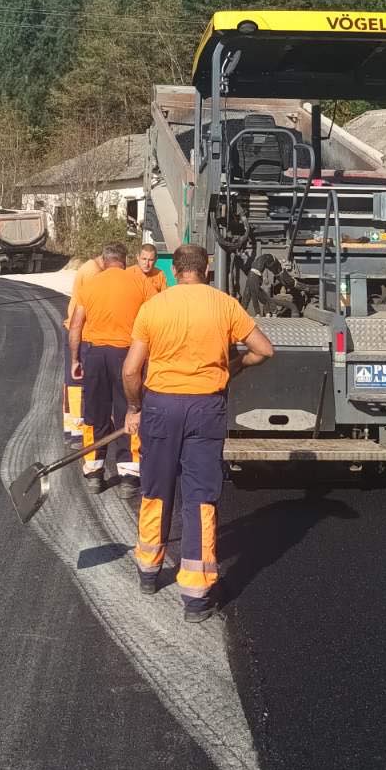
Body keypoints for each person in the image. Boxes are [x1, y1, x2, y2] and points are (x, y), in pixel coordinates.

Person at [122, 244, 274, 623]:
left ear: (174, 271)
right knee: (200, 497)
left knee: (155, 489)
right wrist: (234, 366)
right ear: (206, 270)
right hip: (206, 408)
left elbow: (130, 371)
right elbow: (264, 349)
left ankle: (148, 570)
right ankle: (196, 595)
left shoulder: (154, 306)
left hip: (159, 406)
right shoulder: (224, 305)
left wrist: (134, 408)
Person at [69, 243, 148, 482]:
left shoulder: (90, 286)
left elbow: (75, 326)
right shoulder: (139, 283)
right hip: (127, 355)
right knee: (129, 409)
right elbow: (153, 318)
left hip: (94, 355)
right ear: (124, 261)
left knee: (94, 411)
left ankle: (94, 469)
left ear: (103, 262)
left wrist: (75, 359)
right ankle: (130, 471)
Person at [61, 253, 101, 440]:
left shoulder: (88, 267)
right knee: (78, 380)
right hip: (81, 332)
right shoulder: (94, 274)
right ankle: (78, 429)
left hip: (75, 329)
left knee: (71, 381)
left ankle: (71, 427)